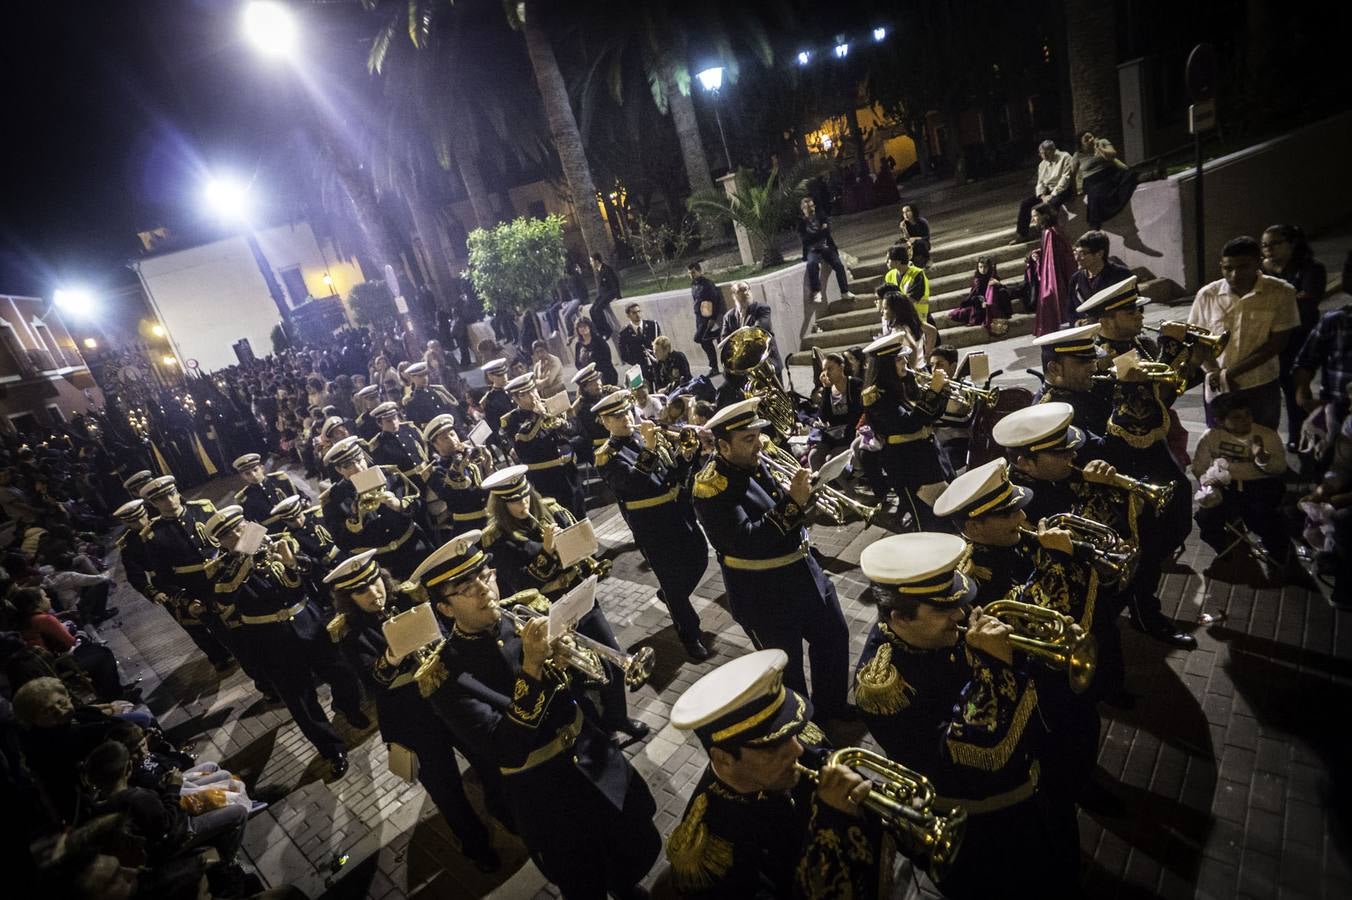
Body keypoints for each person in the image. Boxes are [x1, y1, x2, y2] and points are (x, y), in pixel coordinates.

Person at [412, 532, 661, 899]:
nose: (484, 590)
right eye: (466, 587)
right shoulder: (445, 677)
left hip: (593, 754)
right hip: (544, 795)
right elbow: (505, 749)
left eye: (486, 575)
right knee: (582, 881)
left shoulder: (526, 610)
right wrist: (532, 667)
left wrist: (573, 658)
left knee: (631, 843)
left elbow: (596, 677)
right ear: (445, 609)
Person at [852, 532, 1080, 900]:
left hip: (1032, 783)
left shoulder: (940, 631)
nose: (959, 616)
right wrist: (995, 667)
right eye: (942, 610)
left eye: (957, 604)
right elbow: (957, 756)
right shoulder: (883, 685)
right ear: (899, 618)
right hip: (983, 822)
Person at [323, 551, 500, 870]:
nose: (374, 592)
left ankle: (505, 811)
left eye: (375, 582)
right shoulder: (350, 632)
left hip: (448, 698)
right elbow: (371, 680)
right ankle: (475, 844)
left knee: (487, 757)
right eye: (362, 591)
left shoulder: (408, 597)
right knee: (446, 788)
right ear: (349, 598)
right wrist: (392, 655)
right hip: (410, 718)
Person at [667, 649, 882, 899]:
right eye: (771, 747)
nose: (798, 748)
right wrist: (829, 825)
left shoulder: (795, 744)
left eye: (791, 735)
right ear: (724, 760)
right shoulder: (713, 852)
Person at [692, 398, 853, 723]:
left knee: (834, 638)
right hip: (765, 596)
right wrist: (793, 503)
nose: (759, 445)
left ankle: (832, 707)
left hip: (806, 576)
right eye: (748, 439)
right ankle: (805, 730)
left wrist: (804, 493)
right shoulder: (711, 489)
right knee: (787, 672)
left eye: (757, 435)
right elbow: (748, 541)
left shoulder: (753, 461)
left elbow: (779, 507)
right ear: (723, 445)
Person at [206, 506, 366, 775]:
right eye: (228, 535)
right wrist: (246, 558)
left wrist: (291, 563)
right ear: (219, 542)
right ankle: (331, 748)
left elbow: (304, 576)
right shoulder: (219, 567)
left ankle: (348, 706)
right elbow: (222, 597)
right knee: (301, 700)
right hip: (269, 639)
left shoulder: (276, 542)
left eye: (240, 526)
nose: (237, 534)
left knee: (341, 671)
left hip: (307, 621)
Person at [593, 390, 711, 660]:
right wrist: (648, 447)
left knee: (699, 558)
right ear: (605, 422)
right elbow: (633, 484)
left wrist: (687, 456)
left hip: (677, 512)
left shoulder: (642, 436)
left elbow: (672, 474)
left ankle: (672, 596)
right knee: (672, 582)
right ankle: (690, 635)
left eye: (626, 411)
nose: (625, 418)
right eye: (617, 416)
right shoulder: (606, 456)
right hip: (651, 526)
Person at [1188, 235, 1300, 429]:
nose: (1234, 275)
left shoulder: (1281, 292)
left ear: (1258, 263)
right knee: (1220, 445)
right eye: (1228, 268)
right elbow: (1197, 339)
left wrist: (1231, 373)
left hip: (1259, 384)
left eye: (1243, 267)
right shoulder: (1208, 295)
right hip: (1217, 386)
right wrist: (1216, 373)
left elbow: (1278, 342)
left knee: (1262, 440)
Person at [1192, 394, 1291, 577]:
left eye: (1247, 414)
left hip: (1260, 485)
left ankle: (1279, 553)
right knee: (1205, 517)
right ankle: (1223, 545)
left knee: (1263, 518)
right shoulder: (1211, 436)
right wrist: (1207, 479)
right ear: (1220, 421)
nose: (1245, 420)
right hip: (1226, 487)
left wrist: (1262, 457)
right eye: (1237, 417)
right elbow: (1199, 466)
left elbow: (1280, 468)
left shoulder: (1265, 434)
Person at [860, 331, 950, 531]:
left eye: (905, 358)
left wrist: (943, 392)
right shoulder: (876, 396)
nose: (905, 364)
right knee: (925, 518)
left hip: (930, 454)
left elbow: (929, 417)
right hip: (907, 463)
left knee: (947, 508)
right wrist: (933, 392)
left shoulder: (905, 384)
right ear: (885, 365)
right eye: (899, 359)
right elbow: (908, 424)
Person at [320, 436, 430, 580]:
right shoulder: (334, 498)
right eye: (348, 466)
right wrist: (356, 518)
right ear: (339, 470)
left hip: (414, 549)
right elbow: (342, 542)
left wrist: (399, 505)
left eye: (359, 460)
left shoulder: (389, 473)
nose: (358, 468)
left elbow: (421, 506)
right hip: (380, 565)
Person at [1263, 224, 1329, 448]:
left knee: (1295, 387)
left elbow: (1308, 303)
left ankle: (1300, 436)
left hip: (1301, 337)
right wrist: (1291, 298)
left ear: (1291, 244)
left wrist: (1276, 304)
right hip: (1272, 336)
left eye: (1275, 243)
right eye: (1264, 245)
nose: (1268, 249)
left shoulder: (1311, 269)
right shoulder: (1262, 270)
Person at [500, 372, 586, 519]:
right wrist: (537, 418)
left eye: (533, 390)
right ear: (514, 398)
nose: (533, 396)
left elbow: (575, 428)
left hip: (569, 469)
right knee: (560, 517)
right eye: (525, 394)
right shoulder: (512, 420)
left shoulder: (552, 404)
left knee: (580, 510)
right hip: (545, 476)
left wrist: (562, 424)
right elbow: (522, 450)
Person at [421, 415, 491, 537]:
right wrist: (458, 465)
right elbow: (453, 497)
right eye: (445, 438)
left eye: (452, 434)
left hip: (492, 513)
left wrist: (487, 464)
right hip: (469, 525)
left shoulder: (471, 454)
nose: (452, 440)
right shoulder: (436, 472)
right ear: (436, 446)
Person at [808, 352, 863, 470]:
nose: (827, 373)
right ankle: (821, 487)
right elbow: (823, 415)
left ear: (841, 367)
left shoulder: (854, 384)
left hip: (850, 432)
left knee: (831, 461)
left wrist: (840, 424)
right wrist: (827, 390)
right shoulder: (828, 389)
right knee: (814, 457)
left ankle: (847, 487)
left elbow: (857, 412)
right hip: (832, 435)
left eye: (830, 368)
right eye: (824, 370)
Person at [1013, 140, 1075, 242]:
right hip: (1047, 191)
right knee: (1025, 204)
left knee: (1049, 206)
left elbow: (1065, 179)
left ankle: (1051, 236)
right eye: (1042, 153)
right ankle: (1022, 234)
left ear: (1053, 150)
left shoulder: (1065, 157)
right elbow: (1040, 182)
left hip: (1062, 190)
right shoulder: (1042, 164)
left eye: (1047, 152)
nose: (1044, 155)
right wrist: (1042, 195)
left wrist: (1053, 195)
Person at [797, 196, 855, 304]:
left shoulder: (821, 216)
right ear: (803, 209)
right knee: (811, 264)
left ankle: (844, 291)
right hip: (812, 249)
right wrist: (819, 232)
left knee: (838, 265)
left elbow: (826, 232)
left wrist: (814, 235)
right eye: (807, 207)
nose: (811, 209)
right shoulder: (801, 224)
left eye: (812, 206)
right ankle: (816, 291)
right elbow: (805, 239)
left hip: (826, 247)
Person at [1075, 131, 1138, 230]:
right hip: (1092, 180)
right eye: (1086, 140)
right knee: (1095, 195)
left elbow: (1112, 155)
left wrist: (1099, 148)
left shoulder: (1102, 142)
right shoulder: (1078, 155)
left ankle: (1154, 174)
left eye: (1091, 137)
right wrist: (1076, 188)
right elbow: (1072, 172)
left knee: (1130, 175)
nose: (1090, 140)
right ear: (1081, 144)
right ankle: (1094, 225)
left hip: (1109, 173)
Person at [1031, 203, 1076, 336]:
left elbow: (1054, 260)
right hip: (1061, 273)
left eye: (1035, 216)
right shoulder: (1051, 231)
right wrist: (1040, 254)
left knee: (1050, 299)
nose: (1033, 220)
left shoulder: (1051, 232)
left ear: (1044, 216)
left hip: (1058, 276)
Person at [231, 453, 308, 528]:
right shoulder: (245, 497)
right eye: (247, 474)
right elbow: (251, 523)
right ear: (243, 477)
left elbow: (301, 496)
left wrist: (304, 505)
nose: (253, 475)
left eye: (255, 470)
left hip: (297, 523)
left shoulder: (280, 479)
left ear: (262, 468)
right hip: (276, 533)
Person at [722, 281, 783, 376]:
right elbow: (724, 341)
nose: (745, 292)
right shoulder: (728, 317)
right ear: (734, 295)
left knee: (777, 390)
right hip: (744, 367)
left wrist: (737, 339)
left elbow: (759, 329)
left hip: (766, 361)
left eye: (746, 289)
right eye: (740, 290)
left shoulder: (761, 308)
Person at [948, 256, 1013, 335]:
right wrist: (982, 300)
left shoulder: (993, 277)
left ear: (989, 267)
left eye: (985, 267)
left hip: (994, 304)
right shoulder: (977, 279)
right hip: (980, 305)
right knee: (958, 313)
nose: (982, 269)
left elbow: (1003, 292)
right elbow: (974, 295)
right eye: (980, 267)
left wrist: (998, 284)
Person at [1069, 230, 1134, 310]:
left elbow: (1135, 306)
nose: (1077, 258)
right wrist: (1078, 322)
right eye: (1075, 253)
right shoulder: (1076, 279)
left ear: (1099, 254)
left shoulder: (1121, 274)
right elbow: (1071, 311)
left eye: (1082, 253)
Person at [401, 361, 461, 428]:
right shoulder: (412, 401)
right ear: (412, 378)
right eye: (420, 376)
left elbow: (451, 410)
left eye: (425, 375)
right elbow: (416, 426)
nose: (424, 378)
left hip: (451, 427)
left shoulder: (437, 391)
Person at [690, 261, 725, 375]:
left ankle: (715, 366)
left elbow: (715, 301)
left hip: (708, 318)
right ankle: (713, 367)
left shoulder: (707, 284)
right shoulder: (694, 285)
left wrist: (713, 318)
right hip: (699, 318)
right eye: (690, 273)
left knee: (701, 338)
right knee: (704, 341)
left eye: (694, 272)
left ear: (699, 271)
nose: (692, 275)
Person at [616, 302, 660, 385]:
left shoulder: (653, 325)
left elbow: (659, 343)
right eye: (634, 313)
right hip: (638, 368)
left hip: (656, 364)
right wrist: (636, 363)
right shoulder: (624, 332)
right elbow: (623, 354)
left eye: (639, 311)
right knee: (640, 391)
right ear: (628, 315)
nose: (638, 315)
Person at [478, 358, 514, 454]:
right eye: (499, 375)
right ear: (490, 376)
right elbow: (495, 427)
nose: (504, 377)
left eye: (504, 373)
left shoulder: (514, 387)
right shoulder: (490, 400)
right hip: (512, 436)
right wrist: (509, 447)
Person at [572, 317, 618, 387]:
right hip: (588, 378)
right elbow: (577, 363)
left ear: (589, 327)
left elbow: (607, 359)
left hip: (606, 376)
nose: (582, 329)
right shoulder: (578, 345)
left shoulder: (599, 341)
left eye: (584, 326)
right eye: (580, 327)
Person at [590, 252, 621, 341]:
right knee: (592, 310)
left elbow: (614, 283)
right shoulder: (599, 271)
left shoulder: (607, 269)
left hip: (610, 293)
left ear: (596, 261)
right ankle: (600, 331)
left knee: (598, 309)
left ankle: (607, 331)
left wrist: (617, 296)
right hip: (603, 295)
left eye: (592, 261)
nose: (591, 263)